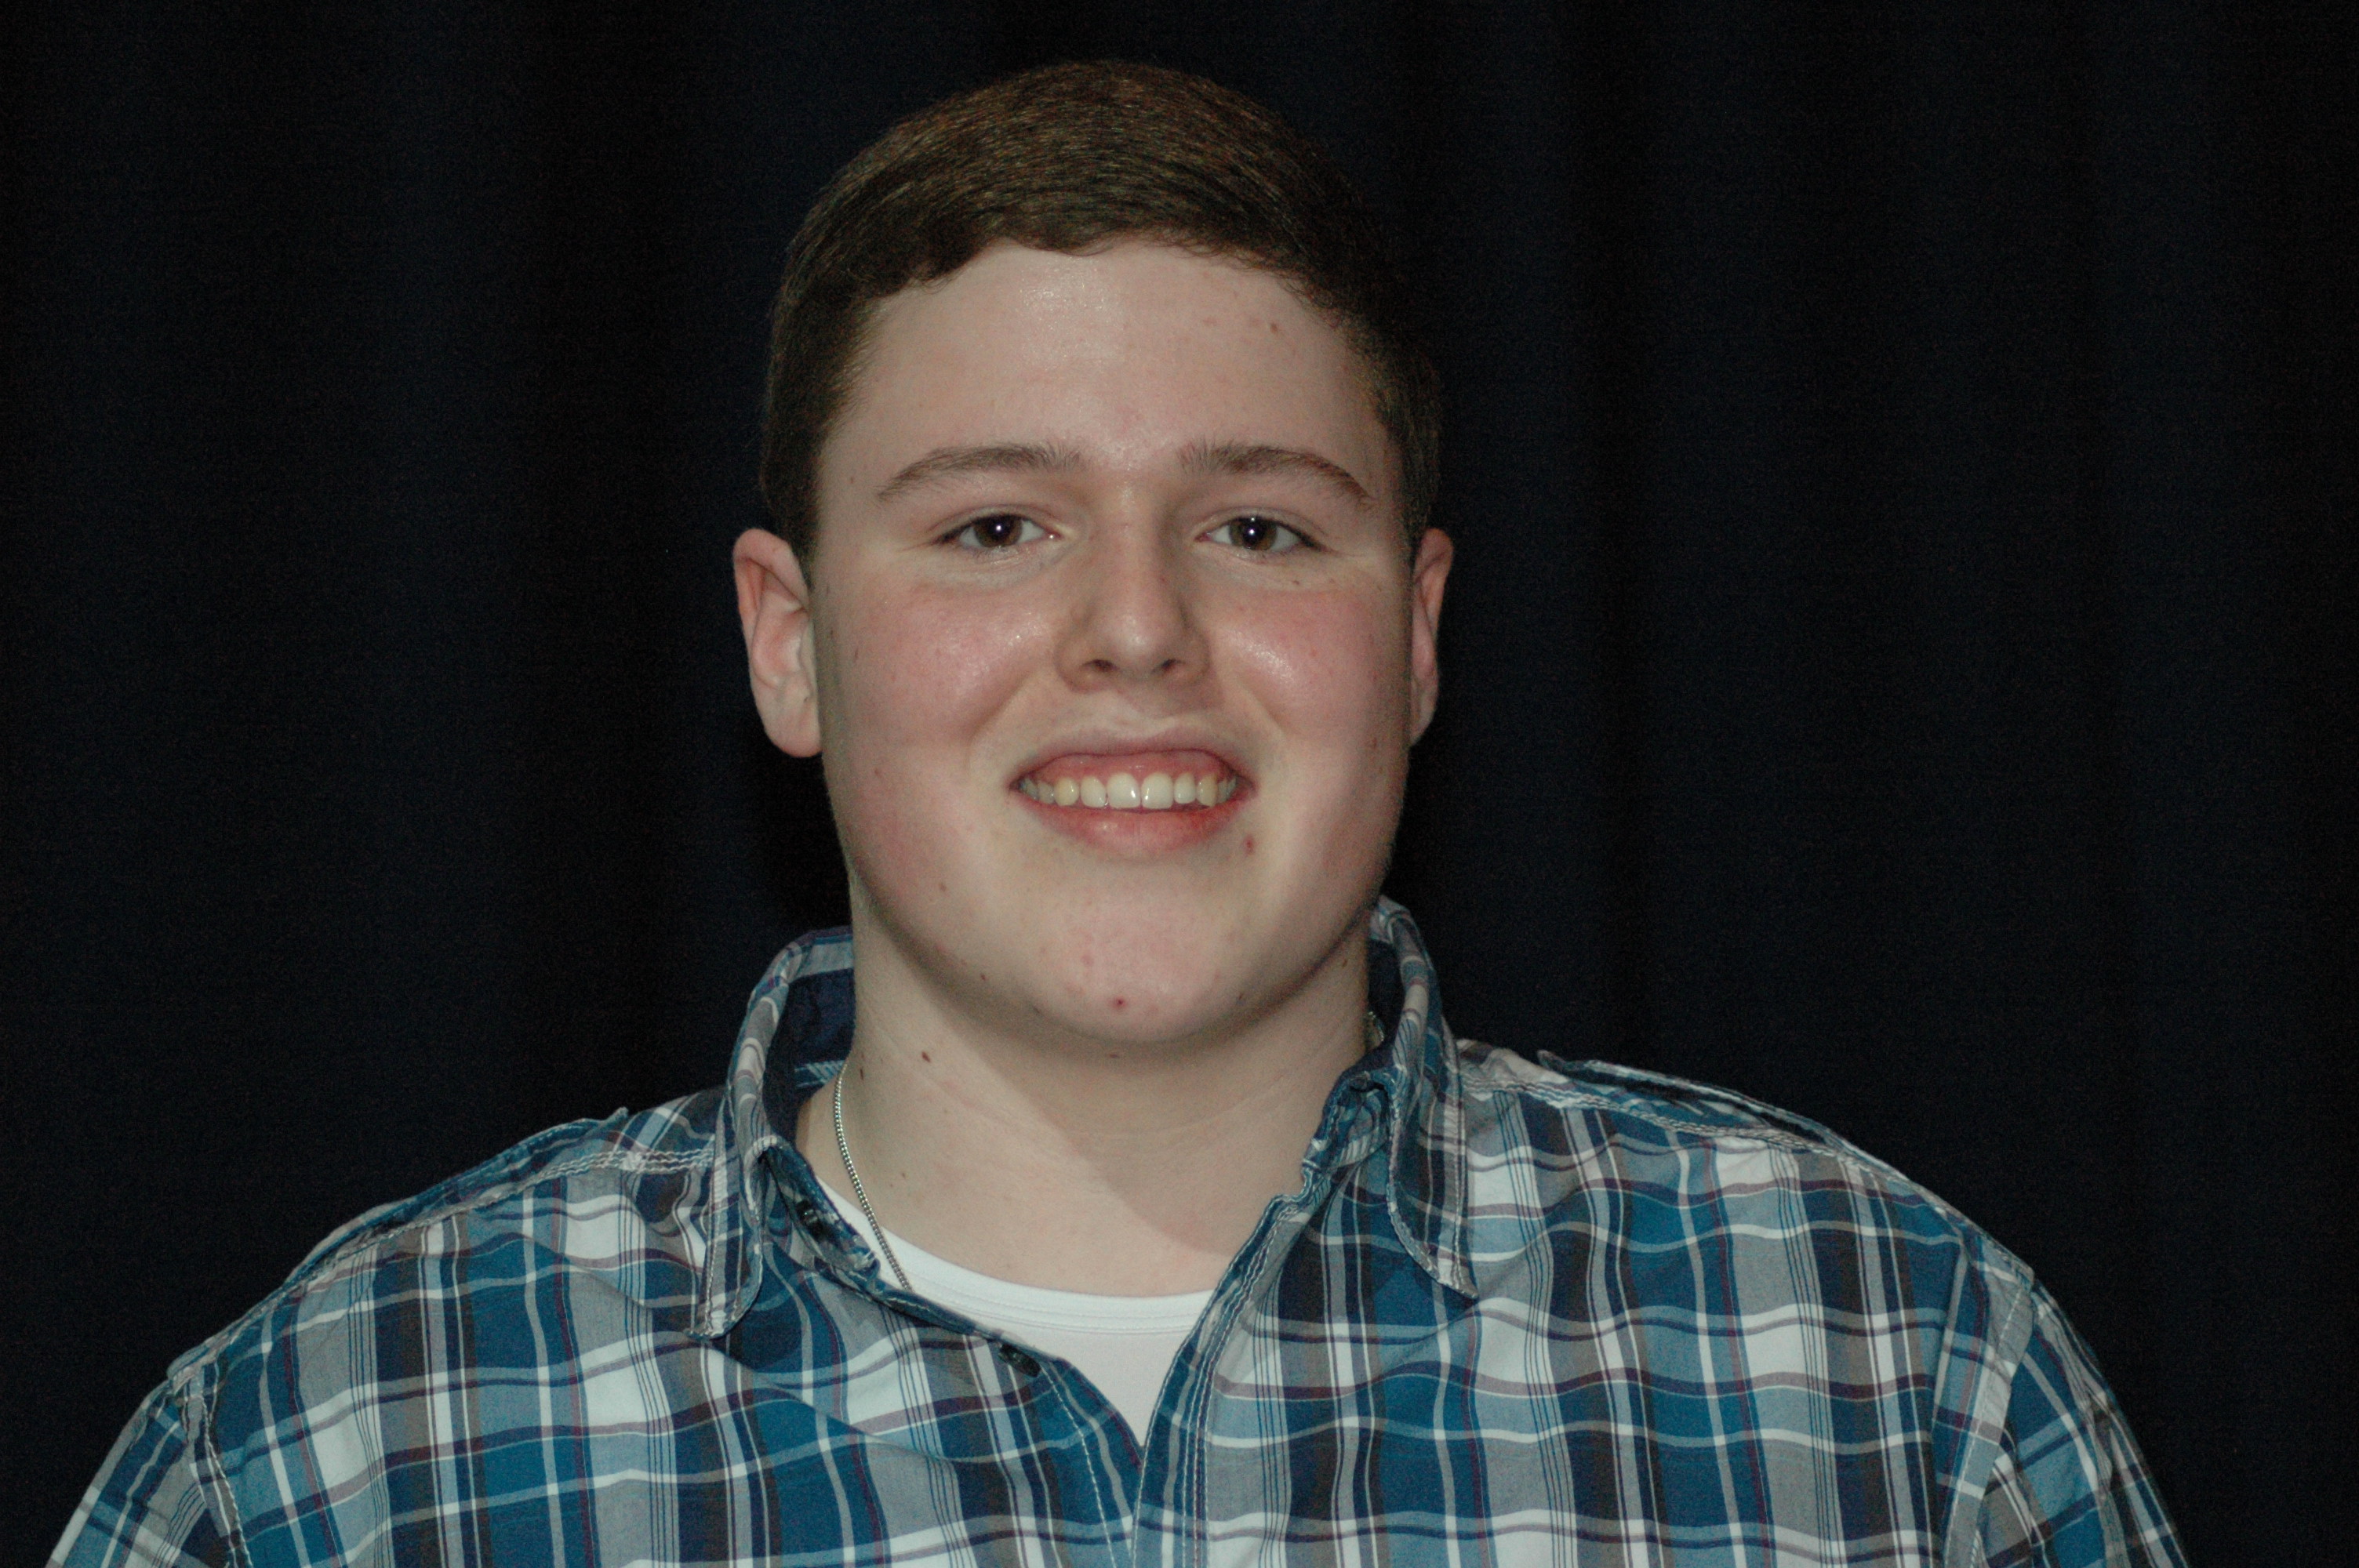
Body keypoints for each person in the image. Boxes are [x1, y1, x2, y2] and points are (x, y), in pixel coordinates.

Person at [54, 61, 2183, 1567]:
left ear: (1416, 635)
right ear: (789, 644)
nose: (1140, 631)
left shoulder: (1892, 1378)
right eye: (997, 526)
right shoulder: (346, 1454)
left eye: (1260, 526)